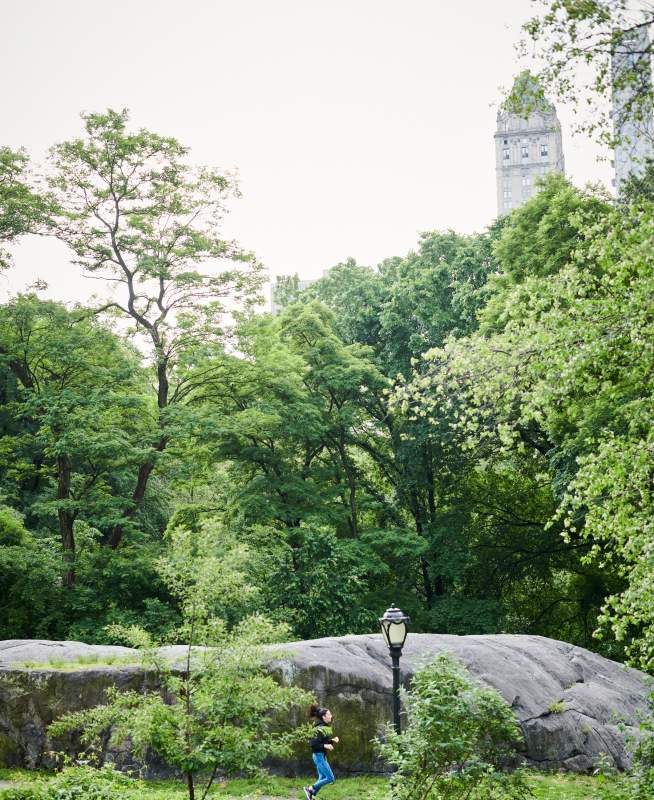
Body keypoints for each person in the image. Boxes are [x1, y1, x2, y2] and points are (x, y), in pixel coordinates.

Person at [303, 704, 339, 799]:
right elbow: (313, 744)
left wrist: (331, 741)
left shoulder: (324, 727)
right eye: (329, 714)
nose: (331, 716)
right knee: (330, 778)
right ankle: (310, 789)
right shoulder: (318, 729)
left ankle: (311, 794)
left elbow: (323, 742)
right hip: (318, 756)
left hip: (321, 755)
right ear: (324, 717)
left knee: (322, 777)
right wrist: (325, 745)